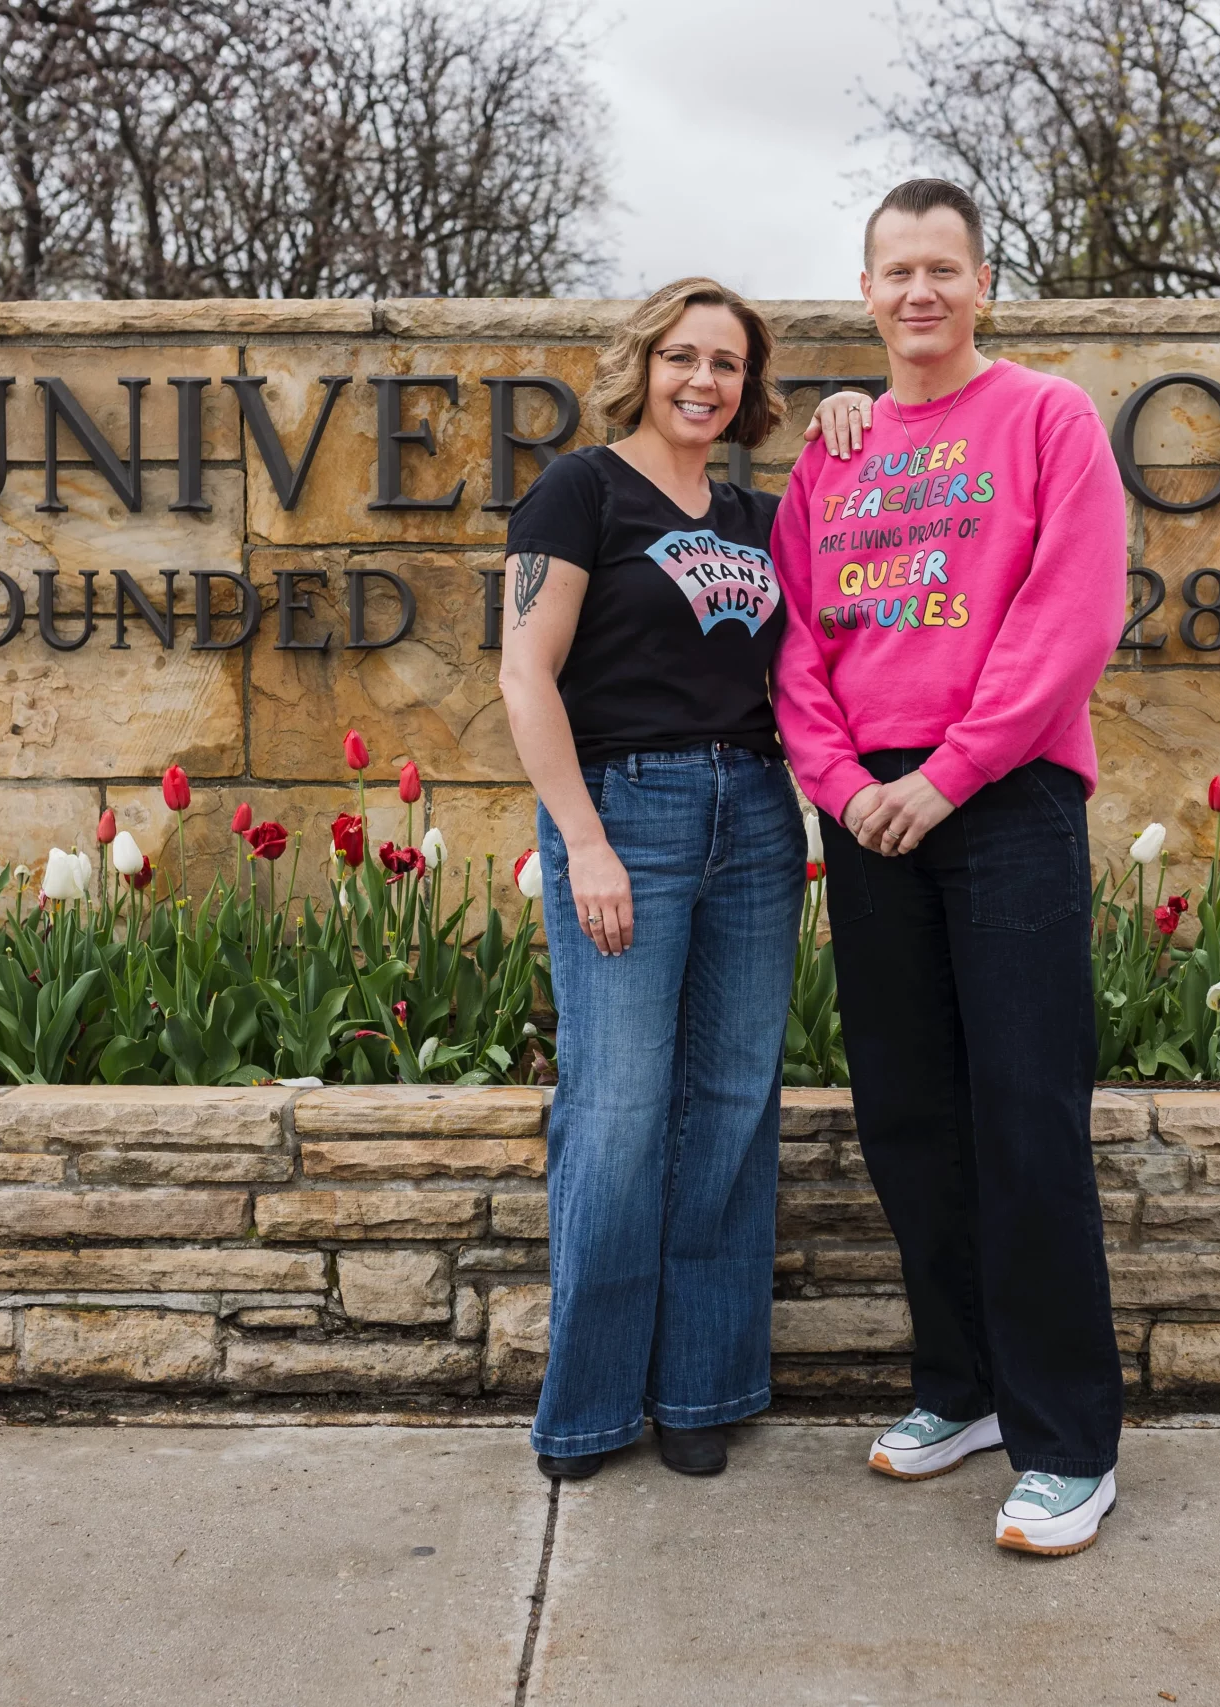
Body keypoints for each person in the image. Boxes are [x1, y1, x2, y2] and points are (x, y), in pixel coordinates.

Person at [773, 178, 1130, 1556]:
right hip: (869, 813)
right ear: (864, 292)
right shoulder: (836, 452)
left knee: (1025, 1111)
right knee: (908, 1109)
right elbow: (799, 642)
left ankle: (1066, 1441)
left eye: (944, 267)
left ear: (984, 282)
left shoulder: (1046, 417)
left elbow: (1071, 613)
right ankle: (963, 1385)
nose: (919, 291)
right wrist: (849, 786)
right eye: (895, 270)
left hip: (1006, 795)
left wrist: (951, 773)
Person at [498, 277, 803, 1481]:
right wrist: (583, 839)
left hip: (757, 816)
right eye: (684, 356)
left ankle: (703, 1392)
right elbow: (527, 676)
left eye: (726, 364)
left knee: (730, 1107)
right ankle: (584, 1412)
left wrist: (848, 426)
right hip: (628, 810)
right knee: (618, 1113)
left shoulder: (756, 516)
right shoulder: (580, 490)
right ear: (644, 362)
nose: (703, 381)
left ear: (747, 386)